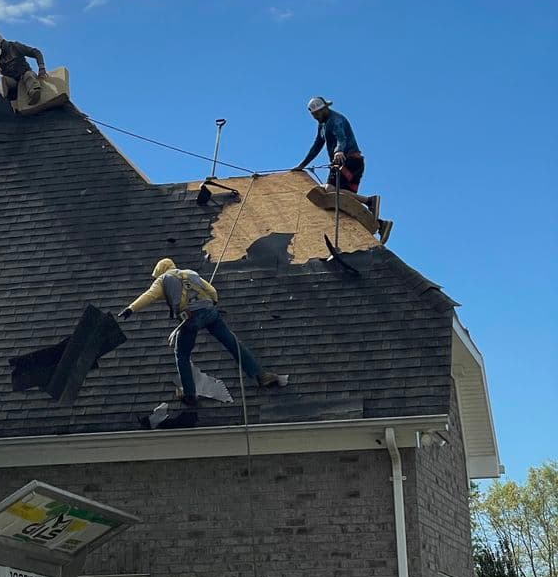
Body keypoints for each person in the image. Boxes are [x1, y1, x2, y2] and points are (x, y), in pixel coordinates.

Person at [117, 258, 285, 407]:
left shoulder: (163, 279)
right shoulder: (189, 273)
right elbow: (211, 290)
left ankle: (189, 395)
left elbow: (149, 296)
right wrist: (213, 303)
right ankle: (260, 375)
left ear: (160, 271)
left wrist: (130, 309)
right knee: (231, 342)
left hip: (190, 318)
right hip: (210, 311)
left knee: (181, 354)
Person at [294, 98, 388, 230]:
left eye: (317, 114)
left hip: (348, 160)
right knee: (344, 202)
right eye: (313, 116)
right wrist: (302, 165)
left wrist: (338, 152)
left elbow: (341, 138)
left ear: (324, 109)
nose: (316, 118)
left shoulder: (336, 121)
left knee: (329, 190)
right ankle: (380, 224)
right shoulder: (323, 124)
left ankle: (369, 201)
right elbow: (317, 146)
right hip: (354, 163)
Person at [0, 32, 46, 106]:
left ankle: (34, 93)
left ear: (2, 43)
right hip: (12, 81)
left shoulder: (15, 47)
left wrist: (41, 68)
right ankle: (1, 102)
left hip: (24, 76)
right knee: (1, 79)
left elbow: (36, 52)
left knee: (29, 75)